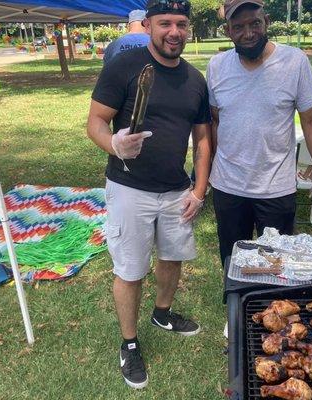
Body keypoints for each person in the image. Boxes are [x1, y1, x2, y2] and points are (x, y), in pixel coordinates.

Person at [86, 0, 211, 389]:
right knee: (131, 268)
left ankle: (163, 312)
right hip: (129, 188)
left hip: (176, 189)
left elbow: (204, 140)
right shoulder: (125, 67)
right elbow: (95, 121)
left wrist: (199, 190)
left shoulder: (195, 79)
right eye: (165, 24)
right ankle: (129, 342)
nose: (174, 32)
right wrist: (114, 144)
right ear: (149, 25)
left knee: (172, 256)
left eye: (181, 24)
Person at [207, 0, 312, 267]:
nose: (248, 32)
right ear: (227, 31)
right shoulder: (217, 66)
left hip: (276, 188)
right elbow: (215, 121)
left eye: (254, 23)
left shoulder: (294, 61)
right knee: (234, 264)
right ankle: (238, 308)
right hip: (229, 187)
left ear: (266, 21)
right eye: (238, 26)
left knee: (277, 265)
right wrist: (208, 171)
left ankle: (274, 308)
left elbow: (311, 121)